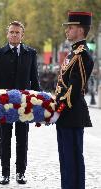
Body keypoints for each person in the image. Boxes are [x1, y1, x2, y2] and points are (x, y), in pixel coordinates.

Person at [0, 21, 40, 185]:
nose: (14, 35)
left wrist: (38, 103)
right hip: (4, 105)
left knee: (22, 139)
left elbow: (35, 80)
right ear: (7, 34)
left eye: (17, 32)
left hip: (24, 105)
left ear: (22, 35)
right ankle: (5, 173)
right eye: (11, 32)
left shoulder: (31, 53)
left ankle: (21, 173)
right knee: (4, 139)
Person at [55, 11, 94, 189]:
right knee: (65, 157)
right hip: (65, 114)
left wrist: (59, 105)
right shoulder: (73, 53)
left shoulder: (82, 54)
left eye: (70, 28)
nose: (67, 31)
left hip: (72, 112)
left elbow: (75, 88)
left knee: (72, 158)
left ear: (80, 30)